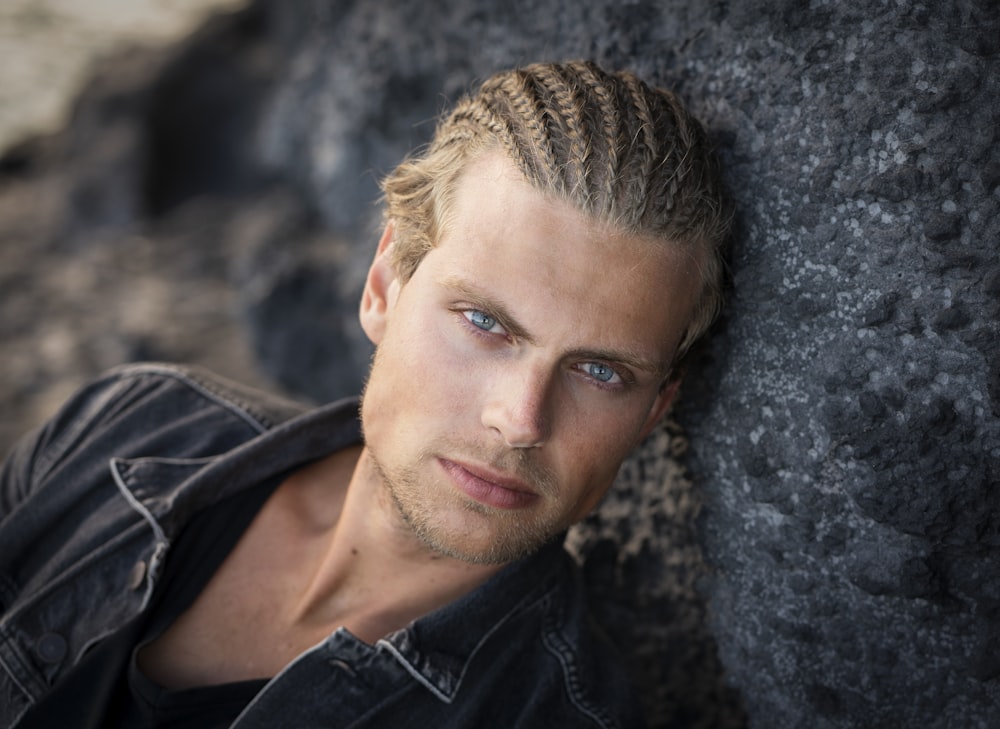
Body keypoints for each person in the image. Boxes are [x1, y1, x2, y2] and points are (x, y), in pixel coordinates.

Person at [0, 60, 730, 728]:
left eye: (600, 372)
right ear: (384, 284)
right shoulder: (124, 428)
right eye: (485, 323)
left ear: (654, 411)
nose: (519, 419)